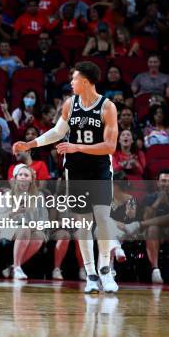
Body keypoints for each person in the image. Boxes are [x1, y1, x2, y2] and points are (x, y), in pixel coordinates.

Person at [13, 61, 120, 293]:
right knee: (82, 224)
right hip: (76, 171)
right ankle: (91, 274)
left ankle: (105, 270)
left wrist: (77, 147)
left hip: (99, 169)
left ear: (85, 81)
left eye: (74, 79)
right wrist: (29, 144)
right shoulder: (70, 105)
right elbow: (58, 132)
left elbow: (110, 146)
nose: (71, 82)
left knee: (101, 219)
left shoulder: (107, 107)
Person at [120, 169, 169, 284]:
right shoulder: (149, 198)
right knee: (152, 228)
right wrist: (158, 201)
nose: (166, 184)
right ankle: (155, 270)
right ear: (157, 182)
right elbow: (147, 217)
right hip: (157, 232)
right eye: (163, 181)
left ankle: (139, 225)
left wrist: (167, 204)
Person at [0, 165, 48, 280]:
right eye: (20, 175)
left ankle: (13, 267)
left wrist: (38, 225)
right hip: (10, 228)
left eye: (26, 175)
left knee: (39, 236)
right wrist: (15, 212)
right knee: (24, 229)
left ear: (31, 179)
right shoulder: (7, 195)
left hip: (31, 229)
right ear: (15, 178)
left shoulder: (38, 196)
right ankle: (17, 268)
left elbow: (44, 218)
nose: (23, 177)